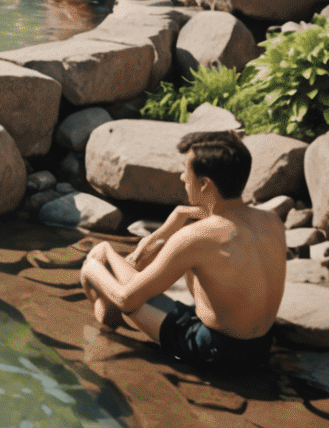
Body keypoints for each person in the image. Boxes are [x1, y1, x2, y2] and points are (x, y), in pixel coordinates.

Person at [79, 129, 286, 374]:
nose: (181, 177)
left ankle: (104, 327)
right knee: (132, 277)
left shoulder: (196, 237)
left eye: (185, 170)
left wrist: (92, 265)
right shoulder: (271, 220)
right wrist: (178, 218)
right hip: (260, 347)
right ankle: (108, 310)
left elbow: (127, 298)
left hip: (216, 351)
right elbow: (229, 218)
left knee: (101, 260)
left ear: (204, 183)